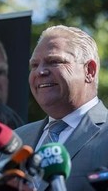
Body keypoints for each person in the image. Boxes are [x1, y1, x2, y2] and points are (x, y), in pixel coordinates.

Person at [15, 25, 108, 191]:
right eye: (34, 65)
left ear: (90, 71)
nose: (40, 71)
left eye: (54, 61)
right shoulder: (16, 140)